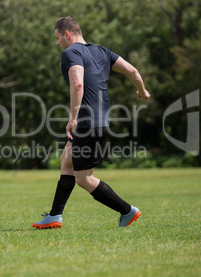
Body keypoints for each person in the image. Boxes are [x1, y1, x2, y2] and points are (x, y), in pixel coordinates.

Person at [32, 16, 150, 229]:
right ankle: (55, 215)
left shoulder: (71, 53)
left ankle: (127, 210)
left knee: (84, 179)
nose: (57, 43)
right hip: (101, 120)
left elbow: (78, 84)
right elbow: (132, 71)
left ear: (67, 34)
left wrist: (73, 118)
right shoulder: (102, 51)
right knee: (66, 161)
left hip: (86, 123)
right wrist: (142, 91)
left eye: (58, 38)